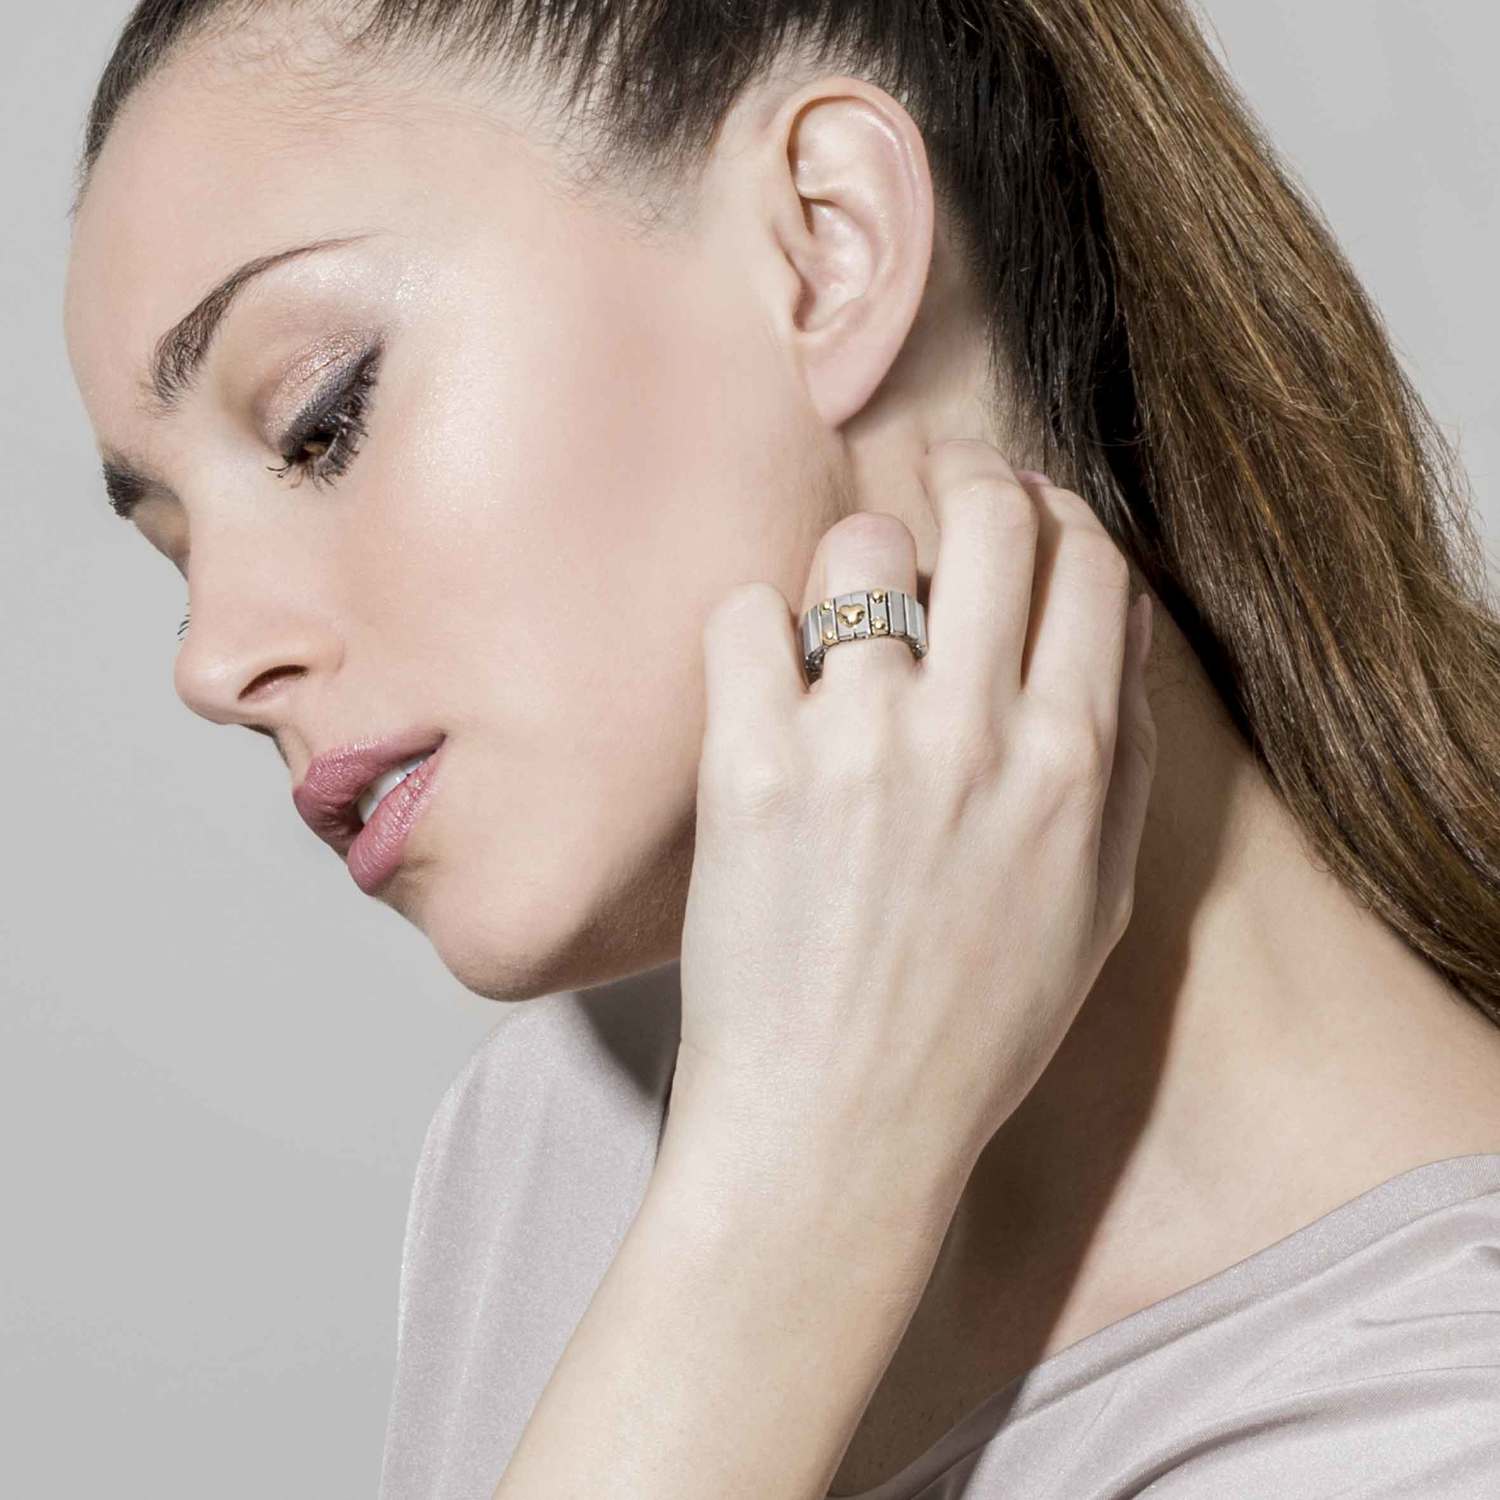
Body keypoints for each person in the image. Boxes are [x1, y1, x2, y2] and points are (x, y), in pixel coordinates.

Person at [62, 1, 1500, 1496]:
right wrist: (782, 1175)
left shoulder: (1438, 1431)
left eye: (320, 422)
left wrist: (788, 1203)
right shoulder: (563, 1136)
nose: (210, 661)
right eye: (176, 547)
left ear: (829, 242)